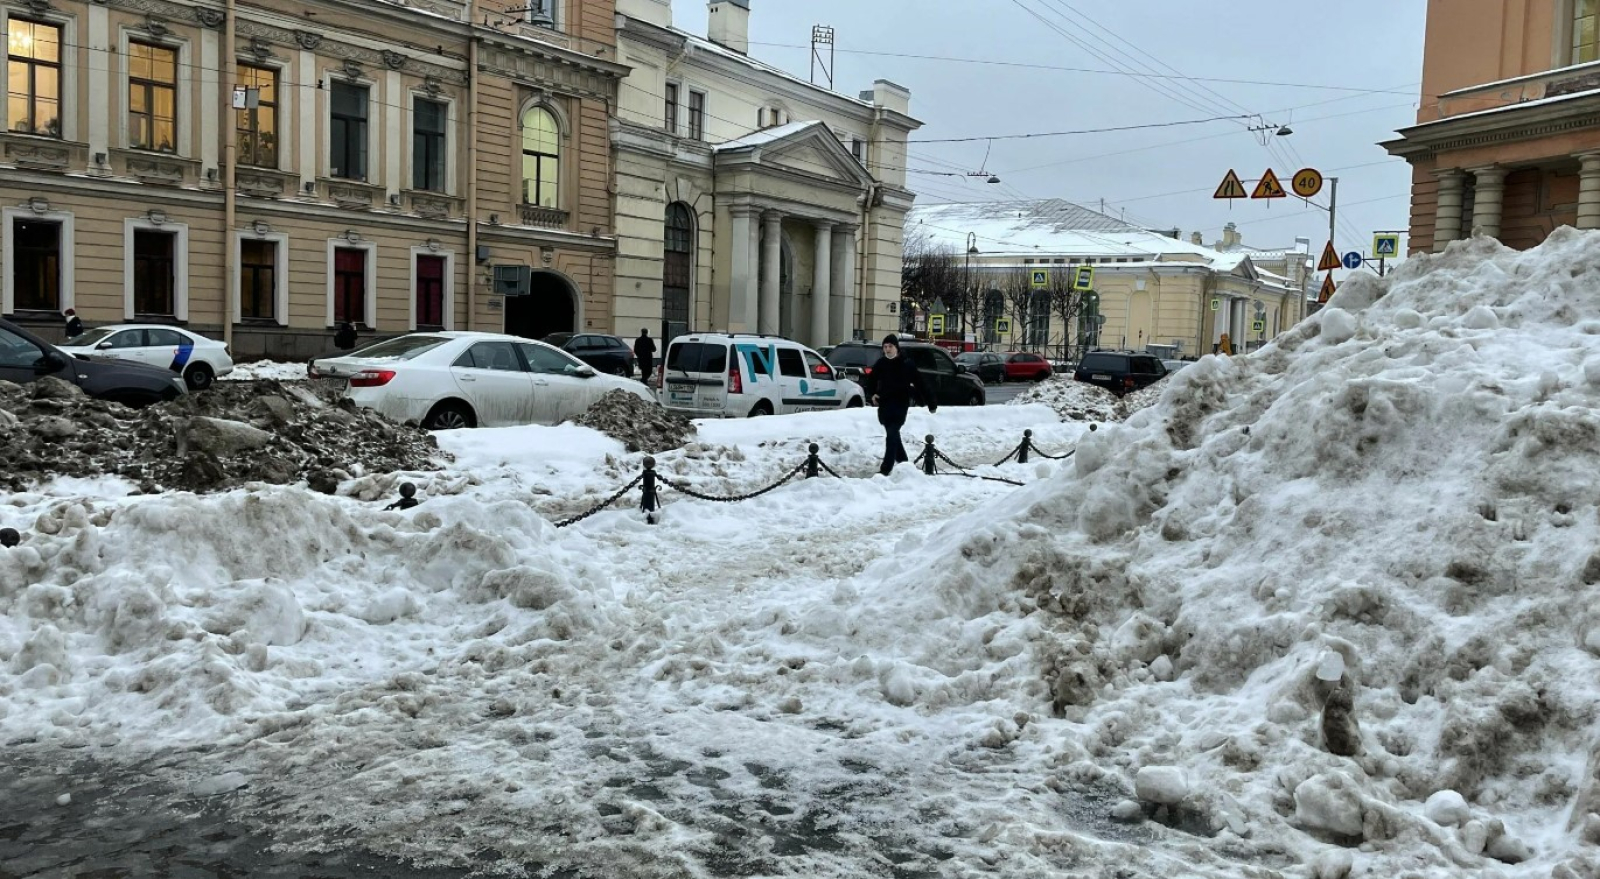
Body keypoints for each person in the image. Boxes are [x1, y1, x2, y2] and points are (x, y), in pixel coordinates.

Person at [866, 334, 935, 476]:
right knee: (893, 435)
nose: (887, 349)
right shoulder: (881, 363)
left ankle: (886, 469)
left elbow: (920, 383)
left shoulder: (906, 364)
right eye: (885, 347)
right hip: (884, 405)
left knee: (891, 434)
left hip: (900, 404)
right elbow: (870, 381)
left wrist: (931, 402)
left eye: (890, 346)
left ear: (896, 347)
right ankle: (904, 463)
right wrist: (872, 394)